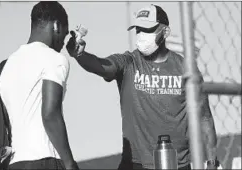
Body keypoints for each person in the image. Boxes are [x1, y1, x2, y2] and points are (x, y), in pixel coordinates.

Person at [66, 4, 219, 170]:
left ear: (165, 32)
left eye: (148, 29)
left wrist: (212, 162)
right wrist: (79, 55)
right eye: (138, 29)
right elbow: (102, 65)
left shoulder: (185, 68)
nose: (141, 35)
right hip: (134, 165)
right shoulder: (129, 62)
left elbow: (204, 118)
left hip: (177, 165)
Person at [0, 2, 79, 169]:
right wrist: (70, 163)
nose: (62, 44)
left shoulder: (2, 69)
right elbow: (50, 114)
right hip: (45, 160)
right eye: (64, 36)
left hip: (13, 163)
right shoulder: (54, 59)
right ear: (56, 26)